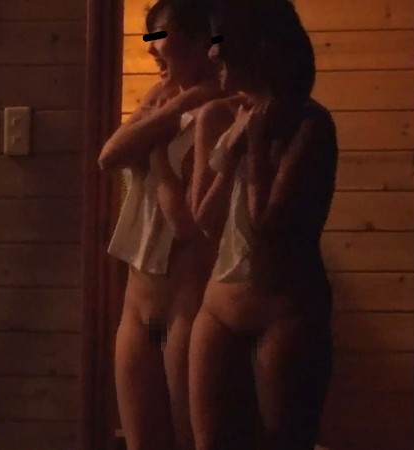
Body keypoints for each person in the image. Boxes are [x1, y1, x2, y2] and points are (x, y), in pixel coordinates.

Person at [188, 1, 339, 449]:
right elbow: (203, 219)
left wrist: (254, 146)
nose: (212, 53)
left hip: (284, 310)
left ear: (258, 48)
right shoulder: (219, 116)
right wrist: (232, 151)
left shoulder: (310, 125)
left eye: (222, 41)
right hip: (218, 308)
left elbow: (267, 226)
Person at [97, 1, 224, 449]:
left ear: (201, 41)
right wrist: (174, 106)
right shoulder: (162, 98)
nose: (151, 48)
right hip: (137, 305)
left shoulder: (221, 110)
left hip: (186, 307)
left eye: (160, 36)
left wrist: (156, 147)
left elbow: (188, 223)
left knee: (192, 440)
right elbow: (109, 157)